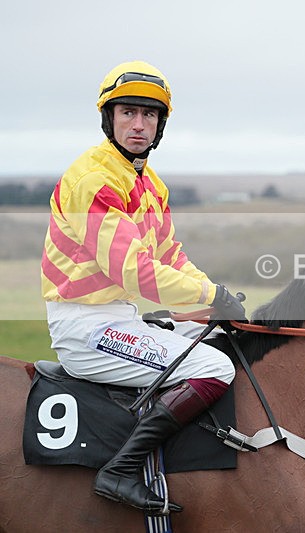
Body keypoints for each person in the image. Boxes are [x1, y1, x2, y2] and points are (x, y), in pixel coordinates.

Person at [41, 60, 246, 515]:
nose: (139, 124)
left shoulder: (150, 184)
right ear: (109, 118)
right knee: (215, 368)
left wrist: (214, 296)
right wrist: (209, 298)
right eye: (128, 112)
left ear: (160, 124)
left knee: (225, 339)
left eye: (149, 115)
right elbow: (133, 272)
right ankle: (120, 470)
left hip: (121, 318)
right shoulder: (94, 180)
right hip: (85, 329)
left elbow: (169, 256)